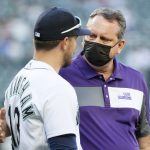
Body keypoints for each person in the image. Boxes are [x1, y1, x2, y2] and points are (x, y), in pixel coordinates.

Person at [0, 7, 91, 150]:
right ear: (65, 42)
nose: (76, 46)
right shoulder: (56, 88)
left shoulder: (16, 81)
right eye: (75, 39)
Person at [59, 8, 150, 150]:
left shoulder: (136, 80)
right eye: (91, 35)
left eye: (105, 39)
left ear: (120, 46)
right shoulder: (62, 75)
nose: (96, 42)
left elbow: (144, 136)